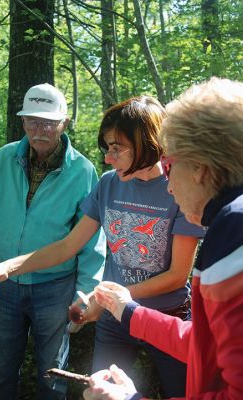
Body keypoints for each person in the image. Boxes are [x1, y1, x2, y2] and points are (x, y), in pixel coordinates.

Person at [0, 95, 204, 398]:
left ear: (148, 143)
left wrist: (106, 296)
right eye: (106, 148)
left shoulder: (179, 187)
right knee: (103, 394)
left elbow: (178, 276)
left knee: (187, 392)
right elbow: (68, 245)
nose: (107, 158)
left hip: (169, 317)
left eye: (116, 148)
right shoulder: (109, 183)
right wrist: (4, 267)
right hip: (115, 321)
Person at [81, 77, 243, 400]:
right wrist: (128, 310)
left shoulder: (232, 234)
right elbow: (202, 342)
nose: (167, 186)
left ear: (199, 168)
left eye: (169, 167)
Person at [0, 82, 106, 400]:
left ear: (64, 123)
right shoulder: (6, 157)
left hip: (55, 287)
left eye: (49, 122)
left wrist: (86, 290)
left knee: (53, 374)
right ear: (22, 121)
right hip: (1, 285)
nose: (40, 129)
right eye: (33, 120)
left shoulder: (83, 171)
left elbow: (91, 239)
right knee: (1, 372)